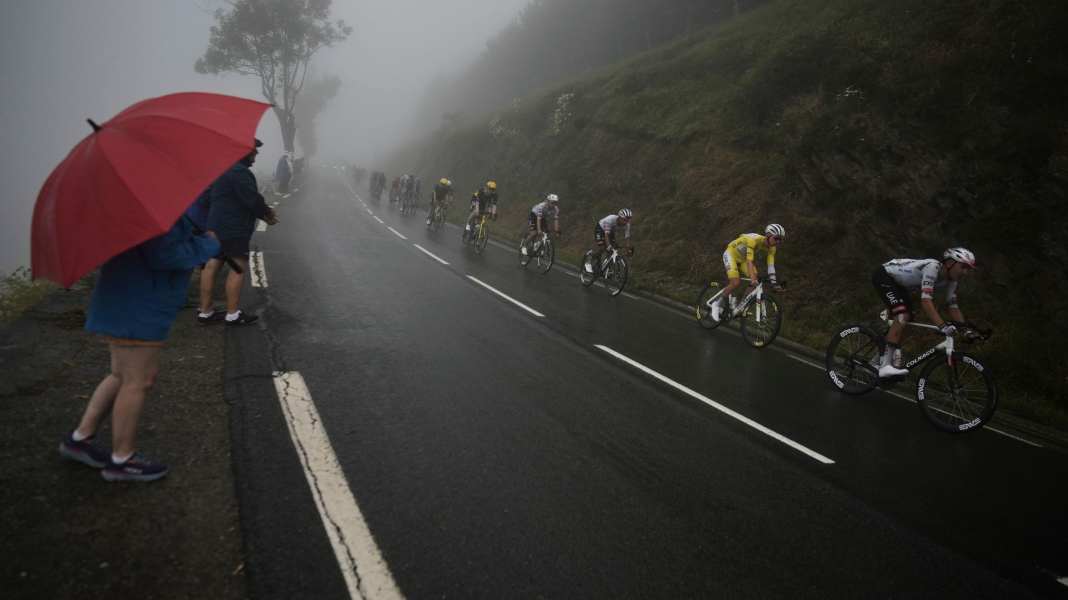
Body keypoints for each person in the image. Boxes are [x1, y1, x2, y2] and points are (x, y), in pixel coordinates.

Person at [58, 214, 221, 482]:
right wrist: (209, 244)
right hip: (141, 306)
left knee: (120, 375)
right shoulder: (157, 209)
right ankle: (122, 459)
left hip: (121, 299)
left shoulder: (131, 210)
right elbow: (165, 255)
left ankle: (80, 439)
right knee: (138, 381)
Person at [198, 139, 278, 326]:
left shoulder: (222, 170)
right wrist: (267, 214)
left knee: (211, 266)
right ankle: (233, 314)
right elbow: (252, 199)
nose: (256, 155)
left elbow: (207, 197)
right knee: (237, 267)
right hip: (233, 229)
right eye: (253, 151)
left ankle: (205, 311)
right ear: (244, 152)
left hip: (215, 226)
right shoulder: (240, 173)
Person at [872, 247, 977, 378]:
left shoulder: (952, 281)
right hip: (885, 276)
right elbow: (926, 301)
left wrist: (965, 330)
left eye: (968, 269)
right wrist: (942, 326)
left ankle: (877, 361)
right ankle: (885, 366)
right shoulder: (933, 267)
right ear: (950, 263)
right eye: (963, 267)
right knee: (902, 315)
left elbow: (953, 306)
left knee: (908, 318)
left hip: (899, 285)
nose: (965, 272)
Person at [710, 224, 786, 322]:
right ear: (768, 235)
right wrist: (753, 279)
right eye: (776, 238)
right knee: (735, 282)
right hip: (731, 254)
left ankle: (740, 307)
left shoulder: (772, 248)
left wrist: (774, 283)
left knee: (756, 281)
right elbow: (750, 261)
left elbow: (771, 266)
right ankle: (717, 303)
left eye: (781, 240)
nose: (778, 242)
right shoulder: (753, 241)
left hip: (743, 259)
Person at [586, 208, 633, 273]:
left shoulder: (627, 224)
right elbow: (606, 235)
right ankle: (588, 261)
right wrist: (608, 246)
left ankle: (607, 268)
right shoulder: (610, 219)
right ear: (619, 217)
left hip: (610, 231)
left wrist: (628, 248)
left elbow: (627, 237)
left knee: (613, 248)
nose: (626, 222)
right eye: (624, 220)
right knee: (602, 246)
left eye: (628, 220)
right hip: (600, 228)